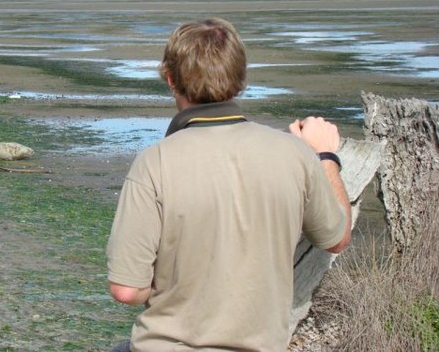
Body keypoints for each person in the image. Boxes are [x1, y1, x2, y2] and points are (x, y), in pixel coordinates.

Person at [106, 18, 351, 352]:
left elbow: (126, 291)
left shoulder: (154, 163)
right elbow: (336, 238)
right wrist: (325, 157)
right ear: (240, 81)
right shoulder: (294, 155)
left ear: (170, 79)